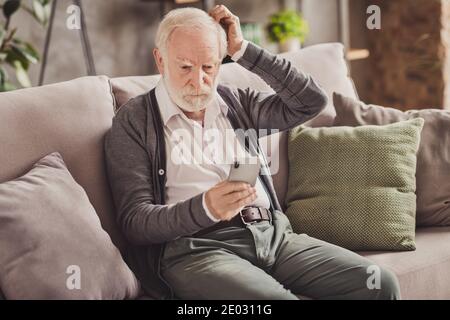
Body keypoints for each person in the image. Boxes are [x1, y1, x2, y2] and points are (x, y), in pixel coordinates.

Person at [104, 5, 400, 300]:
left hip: (272, 235)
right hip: (196, 250)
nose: (199, 81)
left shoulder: (236, 103)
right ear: (160, 60)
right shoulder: (134, 121)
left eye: (209, 67)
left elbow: (310, 101)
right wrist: (206, 207)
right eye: (184, 67)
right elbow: (135, 222)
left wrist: (243, 49)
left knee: (378, 284)